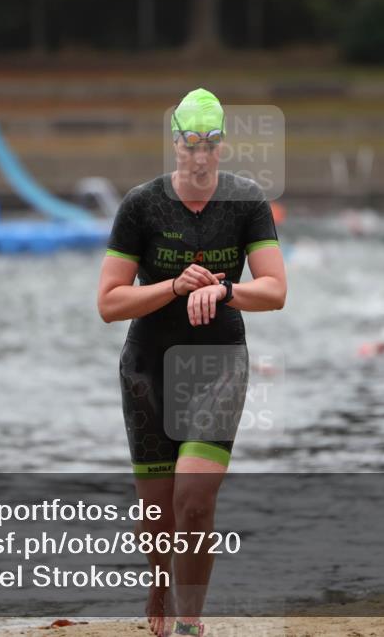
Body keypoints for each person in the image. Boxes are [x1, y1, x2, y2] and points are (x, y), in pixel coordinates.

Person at [97, 88, 287, 636]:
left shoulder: (246, 202)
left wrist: (226, 289)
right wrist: (174, 285)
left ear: (222, 145)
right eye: (189, 145)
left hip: (217, 365)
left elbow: (275, 290)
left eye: (210, 145)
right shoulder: (141, 205)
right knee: (157, 510)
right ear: (174, 143)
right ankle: (159, 587)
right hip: (148, 367)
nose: (200, 157)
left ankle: (190, 621)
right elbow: (109, 303)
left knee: (194, 501)